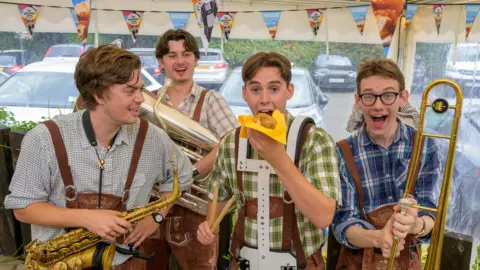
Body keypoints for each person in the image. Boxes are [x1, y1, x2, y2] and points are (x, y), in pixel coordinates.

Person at [4, 44, 193, 269]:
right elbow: (23, 208)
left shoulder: (152, 137)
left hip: (124, 262)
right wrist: (87, 218)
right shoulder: (44, 139)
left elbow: (181, 176)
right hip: (56, 264)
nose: (141, 99)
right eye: (130, 91)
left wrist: (156, 218)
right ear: (98, 94)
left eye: (140, 89)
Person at [196, 51, 342, 270]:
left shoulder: (314, 140)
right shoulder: (231, 144)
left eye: (274, 89)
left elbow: (323, 217)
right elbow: (218, 200)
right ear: (244, 93)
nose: (264, 99)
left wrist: (278, 159)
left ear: (289, 91)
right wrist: (209, 226)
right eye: (255, 89)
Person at [332, 59, 441, 270]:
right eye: (369, 96)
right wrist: (378, 238)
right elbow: (343, 223)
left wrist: (417, 224)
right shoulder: (343, 152)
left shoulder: (426, 147)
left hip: (408, 262)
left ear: (403, 98)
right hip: (357, 263)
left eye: (388, 95)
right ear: (358, 100)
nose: (378, 105)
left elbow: (432, 214)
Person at [144, 28, 238, 270]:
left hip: (194, 212)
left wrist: (194, 170)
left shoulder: (211, 100)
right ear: (161, 62)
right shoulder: (148, 101)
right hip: (151, 205)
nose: (180, 61)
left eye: (186, 54)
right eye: (172, 55)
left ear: (196, 59)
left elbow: (233, 142)